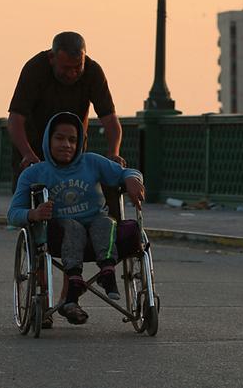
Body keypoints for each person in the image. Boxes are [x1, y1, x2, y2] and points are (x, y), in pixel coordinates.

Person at [8, 112, 144, 325]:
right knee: (73, 227)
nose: (67, 145)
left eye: (72, 140)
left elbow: (126, 172)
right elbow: (13, 213)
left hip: (98, 228)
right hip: (60, 233)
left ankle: (107, 270)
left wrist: (132, 179)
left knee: (107, 222)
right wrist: (33, 214)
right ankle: (74, 277)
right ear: (48, 140)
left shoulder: (92, 162)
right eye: (59, 138)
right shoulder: (34, 174)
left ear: (80, 142)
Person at [8, 31, 125, 191]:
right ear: (52, 58)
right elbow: (15, 118)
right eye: (66, 68)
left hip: (72, 150)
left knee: (74, 199)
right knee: (28, 203)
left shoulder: (93, 72)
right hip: (34, 148)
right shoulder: (35, 69)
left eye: (78, 67)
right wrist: (27, 153)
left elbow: (110, 119)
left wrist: (113, 153)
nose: (72, 73)